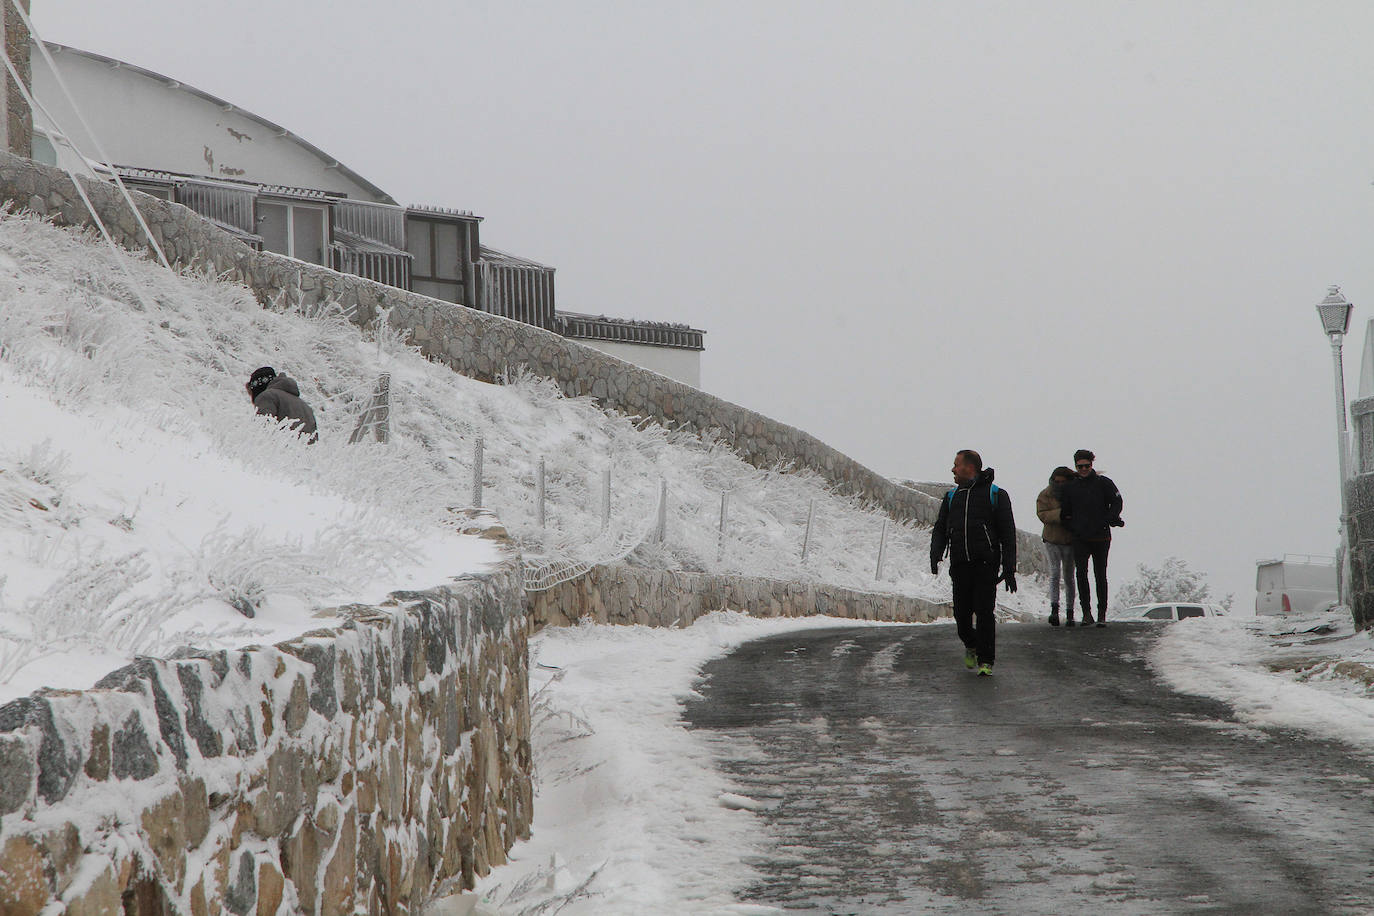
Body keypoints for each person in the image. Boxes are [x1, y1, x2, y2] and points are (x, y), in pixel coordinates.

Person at [930, 449, 1017, 676]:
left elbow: (1008, 534)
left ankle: (986, 661)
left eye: (955, 464)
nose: (952, 469)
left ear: (969, 468)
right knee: (961, 614)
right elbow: (940, 528)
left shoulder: (996, 494)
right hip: (959, 564)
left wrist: (1009, 567)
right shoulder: (952, 497)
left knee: (984, 611)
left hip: (986, 564)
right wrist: (935, 553)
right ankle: (971, 643)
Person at [1058, 449, 1123, 627]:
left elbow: (1117, 501)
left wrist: (1110, 518)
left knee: (1100, 575)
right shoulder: (1070, 488)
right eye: (1080, 466)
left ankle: (1102, 613)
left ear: (1092, 465)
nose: (1084, 469)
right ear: (1076, 466)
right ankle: (1086, 613)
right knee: (1081, 574)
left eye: (1087, 465)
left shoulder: (1104, 483)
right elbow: (1065, 513)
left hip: (1101, 537)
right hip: (1080, 538)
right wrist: (1073, 528)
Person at [1036, 466, 1077, 627]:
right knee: (1054, 573)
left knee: (1068, 577)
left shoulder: (1074, 494)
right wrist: (1060, 514)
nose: (1059, 484)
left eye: (1062, 482)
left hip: (1069, 540)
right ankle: (1054, 609)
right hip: (1052, 538)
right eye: (1056, 481)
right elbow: (1042, 513)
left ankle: (1070, 612)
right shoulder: (1046, 494)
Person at [246, 366, 318, 440]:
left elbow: (263, 429)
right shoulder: (305, 406)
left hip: (280, 449)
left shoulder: (266, 397)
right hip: (304, 450)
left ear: (257, 388)